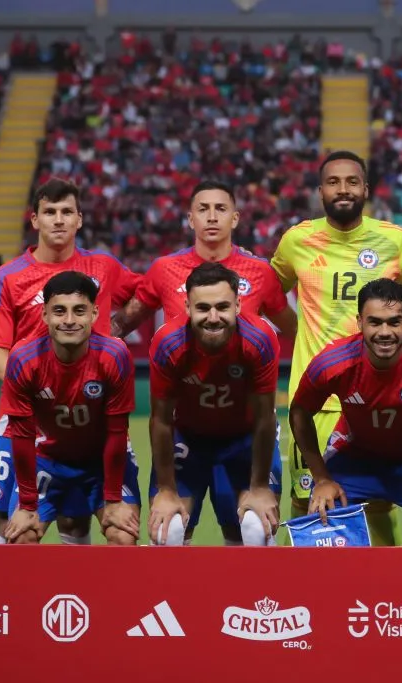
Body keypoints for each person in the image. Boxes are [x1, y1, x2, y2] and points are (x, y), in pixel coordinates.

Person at [112, 179, 293, 545]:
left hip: (243, 423)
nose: (212, 217)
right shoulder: (164, 270)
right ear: (190, 218)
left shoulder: (260, 273)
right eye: (203, 209)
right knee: (171, 530)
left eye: (220, 208)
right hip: (187, 425)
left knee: (250, 528)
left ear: (236, 217)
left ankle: (250, 601)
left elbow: (296, 331)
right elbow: (118, 326)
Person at [271, 150, 402, 546]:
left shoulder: (394, 240)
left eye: (352, 181)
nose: (343, 189)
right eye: (333, 182)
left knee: (378, 501)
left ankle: (385, 588)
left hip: (380, 397)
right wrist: (296, 330)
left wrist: (400, 341)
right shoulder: (297, 240)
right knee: (309, 497)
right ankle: (305, 584)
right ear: (320, 190)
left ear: (366, 189)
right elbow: (270, 293)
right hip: (318, 399)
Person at [0, 178, 140, 545]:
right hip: (27, 420)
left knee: (77, 523)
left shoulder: (103, 267)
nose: (58, 220)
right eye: (49, 212)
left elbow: (146, 293)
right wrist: (44, 393)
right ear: (34, 220)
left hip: (92, 414)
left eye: (66, 212)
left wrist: (119, 325)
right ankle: (8, 601)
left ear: (79, 220)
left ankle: (79, 599)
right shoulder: (6, 278)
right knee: (12, 526)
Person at [288, 278, 402, 547]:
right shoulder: (333, 363)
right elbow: (299, 413)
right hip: (351, 458)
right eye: (375, 322)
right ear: (359, 322)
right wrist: (322, 478)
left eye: (394, 322)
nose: (385, 331)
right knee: (323, 530)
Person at [146, 263, 281, 546]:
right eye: (203, 308)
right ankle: (171, 592)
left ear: (238, 305)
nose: (213, 317)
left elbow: (265, 418)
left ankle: (250, 592)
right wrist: (166, 489)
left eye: (222, 307)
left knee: (256, 529)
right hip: (189, 439)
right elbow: (160, 420)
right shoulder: (168, 342)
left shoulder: (259, 339)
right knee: (167, 531)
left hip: (243, 439)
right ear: (187, 306)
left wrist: (258, 487)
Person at [2, 271, 140, 545]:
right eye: (59, 311)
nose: (69, 320)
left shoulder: (115, 355)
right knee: (21, 536)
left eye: (79, 311)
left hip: (103, 462)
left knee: (123, 535)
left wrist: (113, 500)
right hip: (48, 460)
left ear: (94, 313)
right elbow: (21, 436)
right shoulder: (23, 358)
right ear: (44, 315)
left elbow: (117, 432)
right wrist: (28, 504)